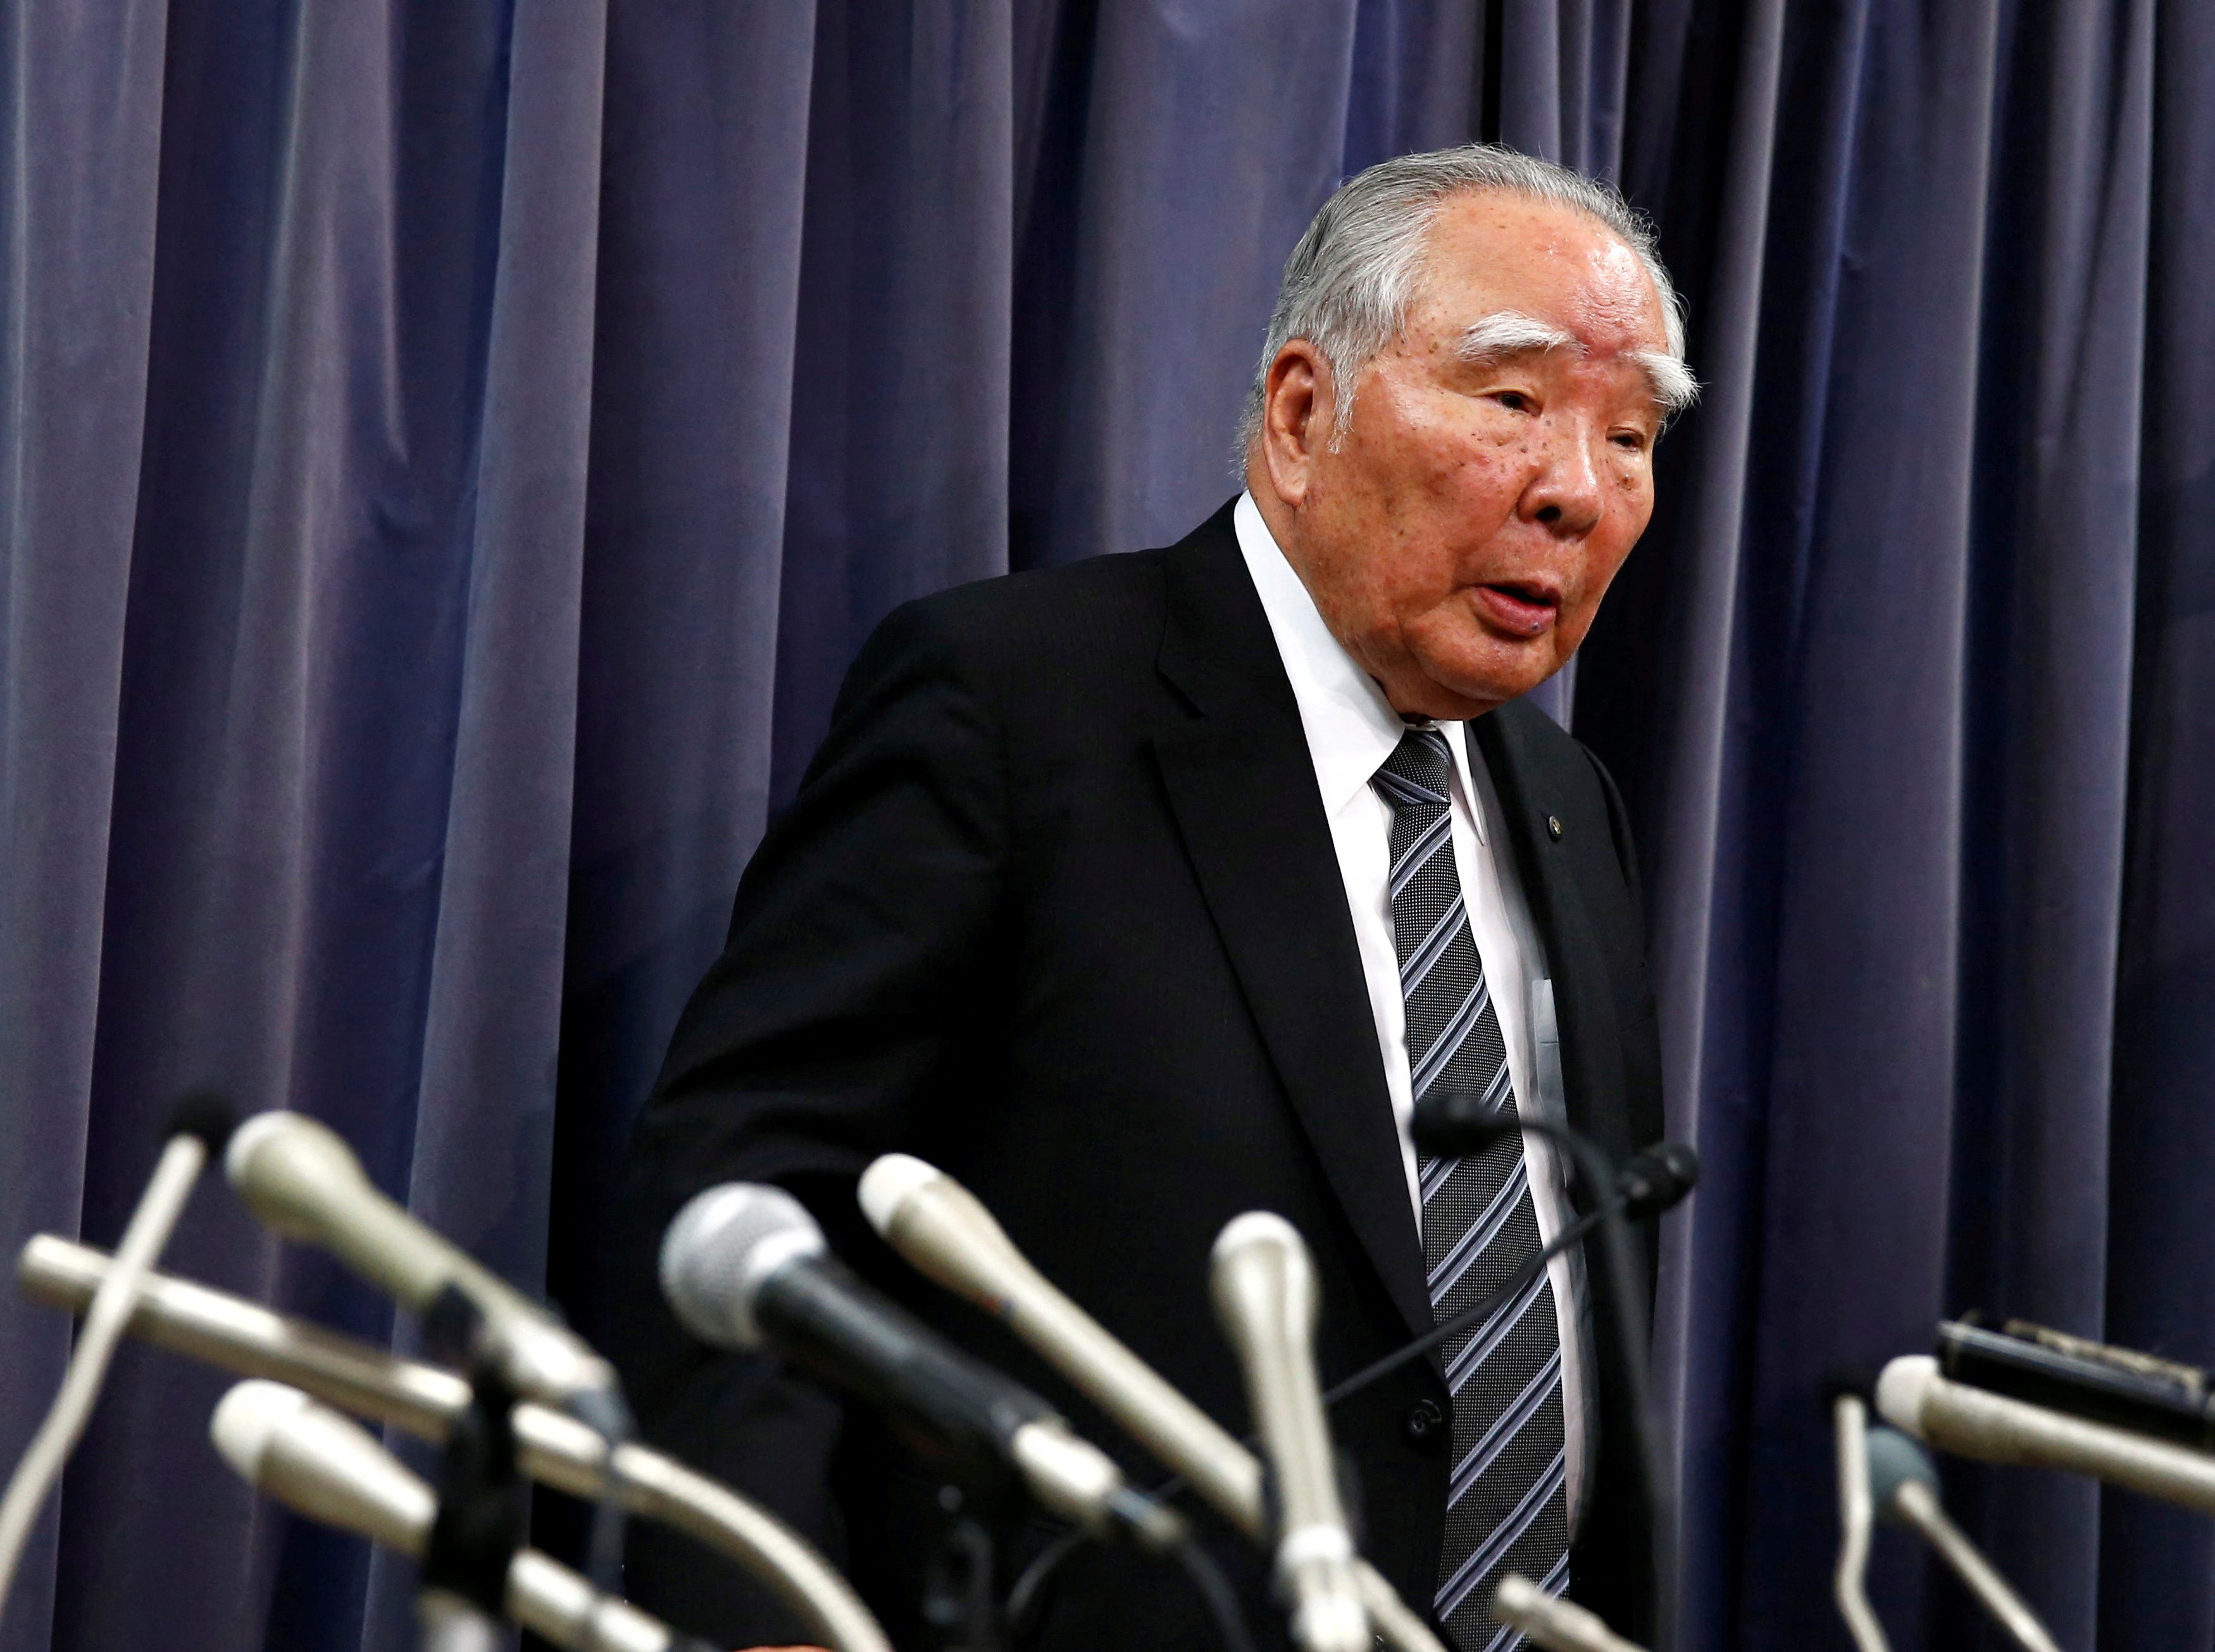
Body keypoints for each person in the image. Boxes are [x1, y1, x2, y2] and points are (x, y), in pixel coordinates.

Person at [606, 143, 1692, 1651]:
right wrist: (766, 1601)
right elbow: (745, 1189)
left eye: (1631, 435)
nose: (1577, 491)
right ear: (1303, 412)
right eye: (1512, 404)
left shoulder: (1570, 807)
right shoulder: (1018, 705)